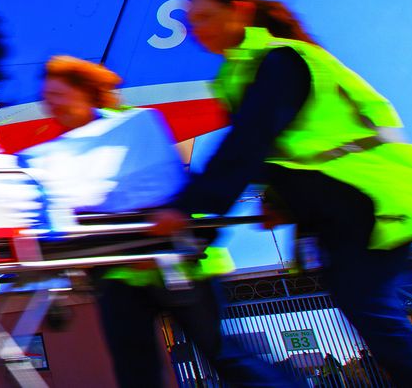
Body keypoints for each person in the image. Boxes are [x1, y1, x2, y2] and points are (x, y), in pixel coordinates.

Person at [149, 0, 412, 387]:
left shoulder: (280, 59)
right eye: (192, 23)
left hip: (374, 198)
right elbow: (279, 148)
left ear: (240, 11)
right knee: (369, 310)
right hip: (342, 209)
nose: (198, 30)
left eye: (206, 17)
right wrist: (276, 199)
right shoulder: (240, 73)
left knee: (370, 309)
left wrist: (187, 207)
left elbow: (251, 140)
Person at [36, 55, 287, 388]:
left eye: (59, 95)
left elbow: (162, 191)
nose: (52, 106)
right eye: (47, 99)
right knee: (136, 373)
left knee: (223, 354)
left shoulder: (136, 126)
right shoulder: (58, 152)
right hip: (120, 271)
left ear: (85, 91)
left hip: (178, 262)